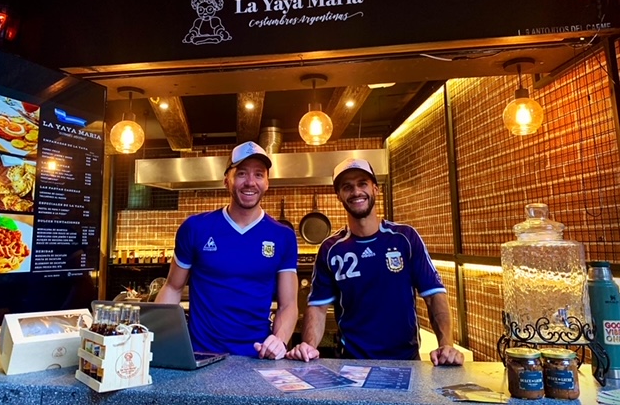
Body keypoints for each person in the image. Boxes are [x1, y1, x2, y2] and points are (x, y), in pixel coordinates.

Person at [286, 157, 464, 366]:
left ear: (375, 188)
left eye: (362, 183)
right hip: (352, 364)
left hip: (407, 363)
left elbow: (434, 296)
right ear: (339, 195)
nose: (356, 192)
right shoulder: (330, 249)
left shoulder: (405, 238)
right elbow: (317, 308)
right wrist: (309, 346)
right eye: (347, 187)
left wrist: (447, 344)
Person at [155, 141, 298, 360]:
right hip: (200, 355)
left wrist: (279, 340)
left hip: (257, 358)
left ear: (267, 182)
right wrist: (157, 341)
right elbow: (173, 287)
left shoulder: (283, 236)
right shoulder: (195, 228)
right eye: (241, 173)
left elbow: (288, 305)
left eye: (259, 174)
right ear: (226, 181)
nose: (250, 182)